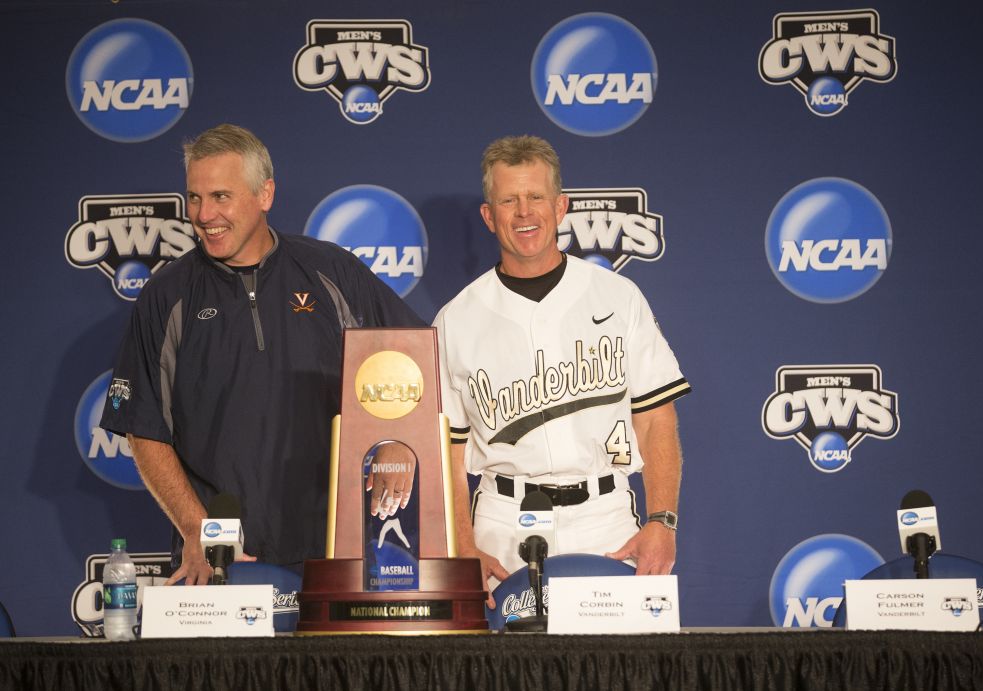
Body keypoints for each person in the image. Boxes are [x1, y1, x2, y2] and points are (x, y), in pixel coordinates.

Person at [100, 123, 422, 585]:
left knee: (341, 662)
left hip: (336, 547)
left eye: (220, 197)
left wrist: (398, 436)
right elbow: (143, 428)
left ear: (265, 193)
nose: (204, 214)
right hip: (220, 555)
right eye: (194, 198)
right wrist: (197, 531)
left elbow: (411, 356)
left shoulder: (331, 272)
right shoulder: (166, 296)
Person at [433, 135, 690, 605]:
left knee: (620, 670)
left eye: (536, 197)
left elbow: (656, 418)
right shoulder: (456, 319)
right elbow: (446, 452)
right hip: (503, 521)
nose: (524, 212)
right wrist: (463, 545)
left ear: (561, 206)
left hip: (606, 518)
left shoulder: (618, 297)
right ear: (490, 216)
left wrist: (662, 520)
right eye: (509, 200)